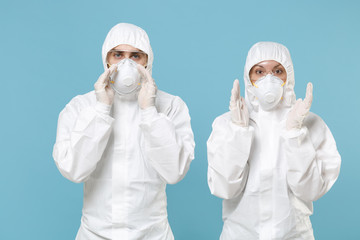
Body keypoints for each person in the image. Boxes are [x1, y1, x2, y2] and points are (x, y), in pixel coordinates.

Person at [53, 23, 195, 240]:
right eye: (118, 54)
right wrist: (101, 109)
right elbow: (74, 170)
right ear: (107, 59)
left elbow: (174, 171)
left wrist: (149, 111)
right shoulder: (81, 107)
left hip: (153, 234)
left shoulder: (170, 106)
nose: (126, 63)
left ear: (147, 61)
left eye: (136, 56)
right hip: (94, 233)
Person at [207, 42, 341, 240]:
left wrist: (295, 134)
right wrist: (238, 131)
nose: (268, 79)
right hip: (239, 234)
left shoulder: (310, 123)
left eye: (277, 71)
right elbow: (223, 188)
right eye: (259, 72)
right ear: (248, 77)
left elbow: (310, 191)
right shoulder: (226, 123)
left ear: (289, 76)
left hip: (295, 235)